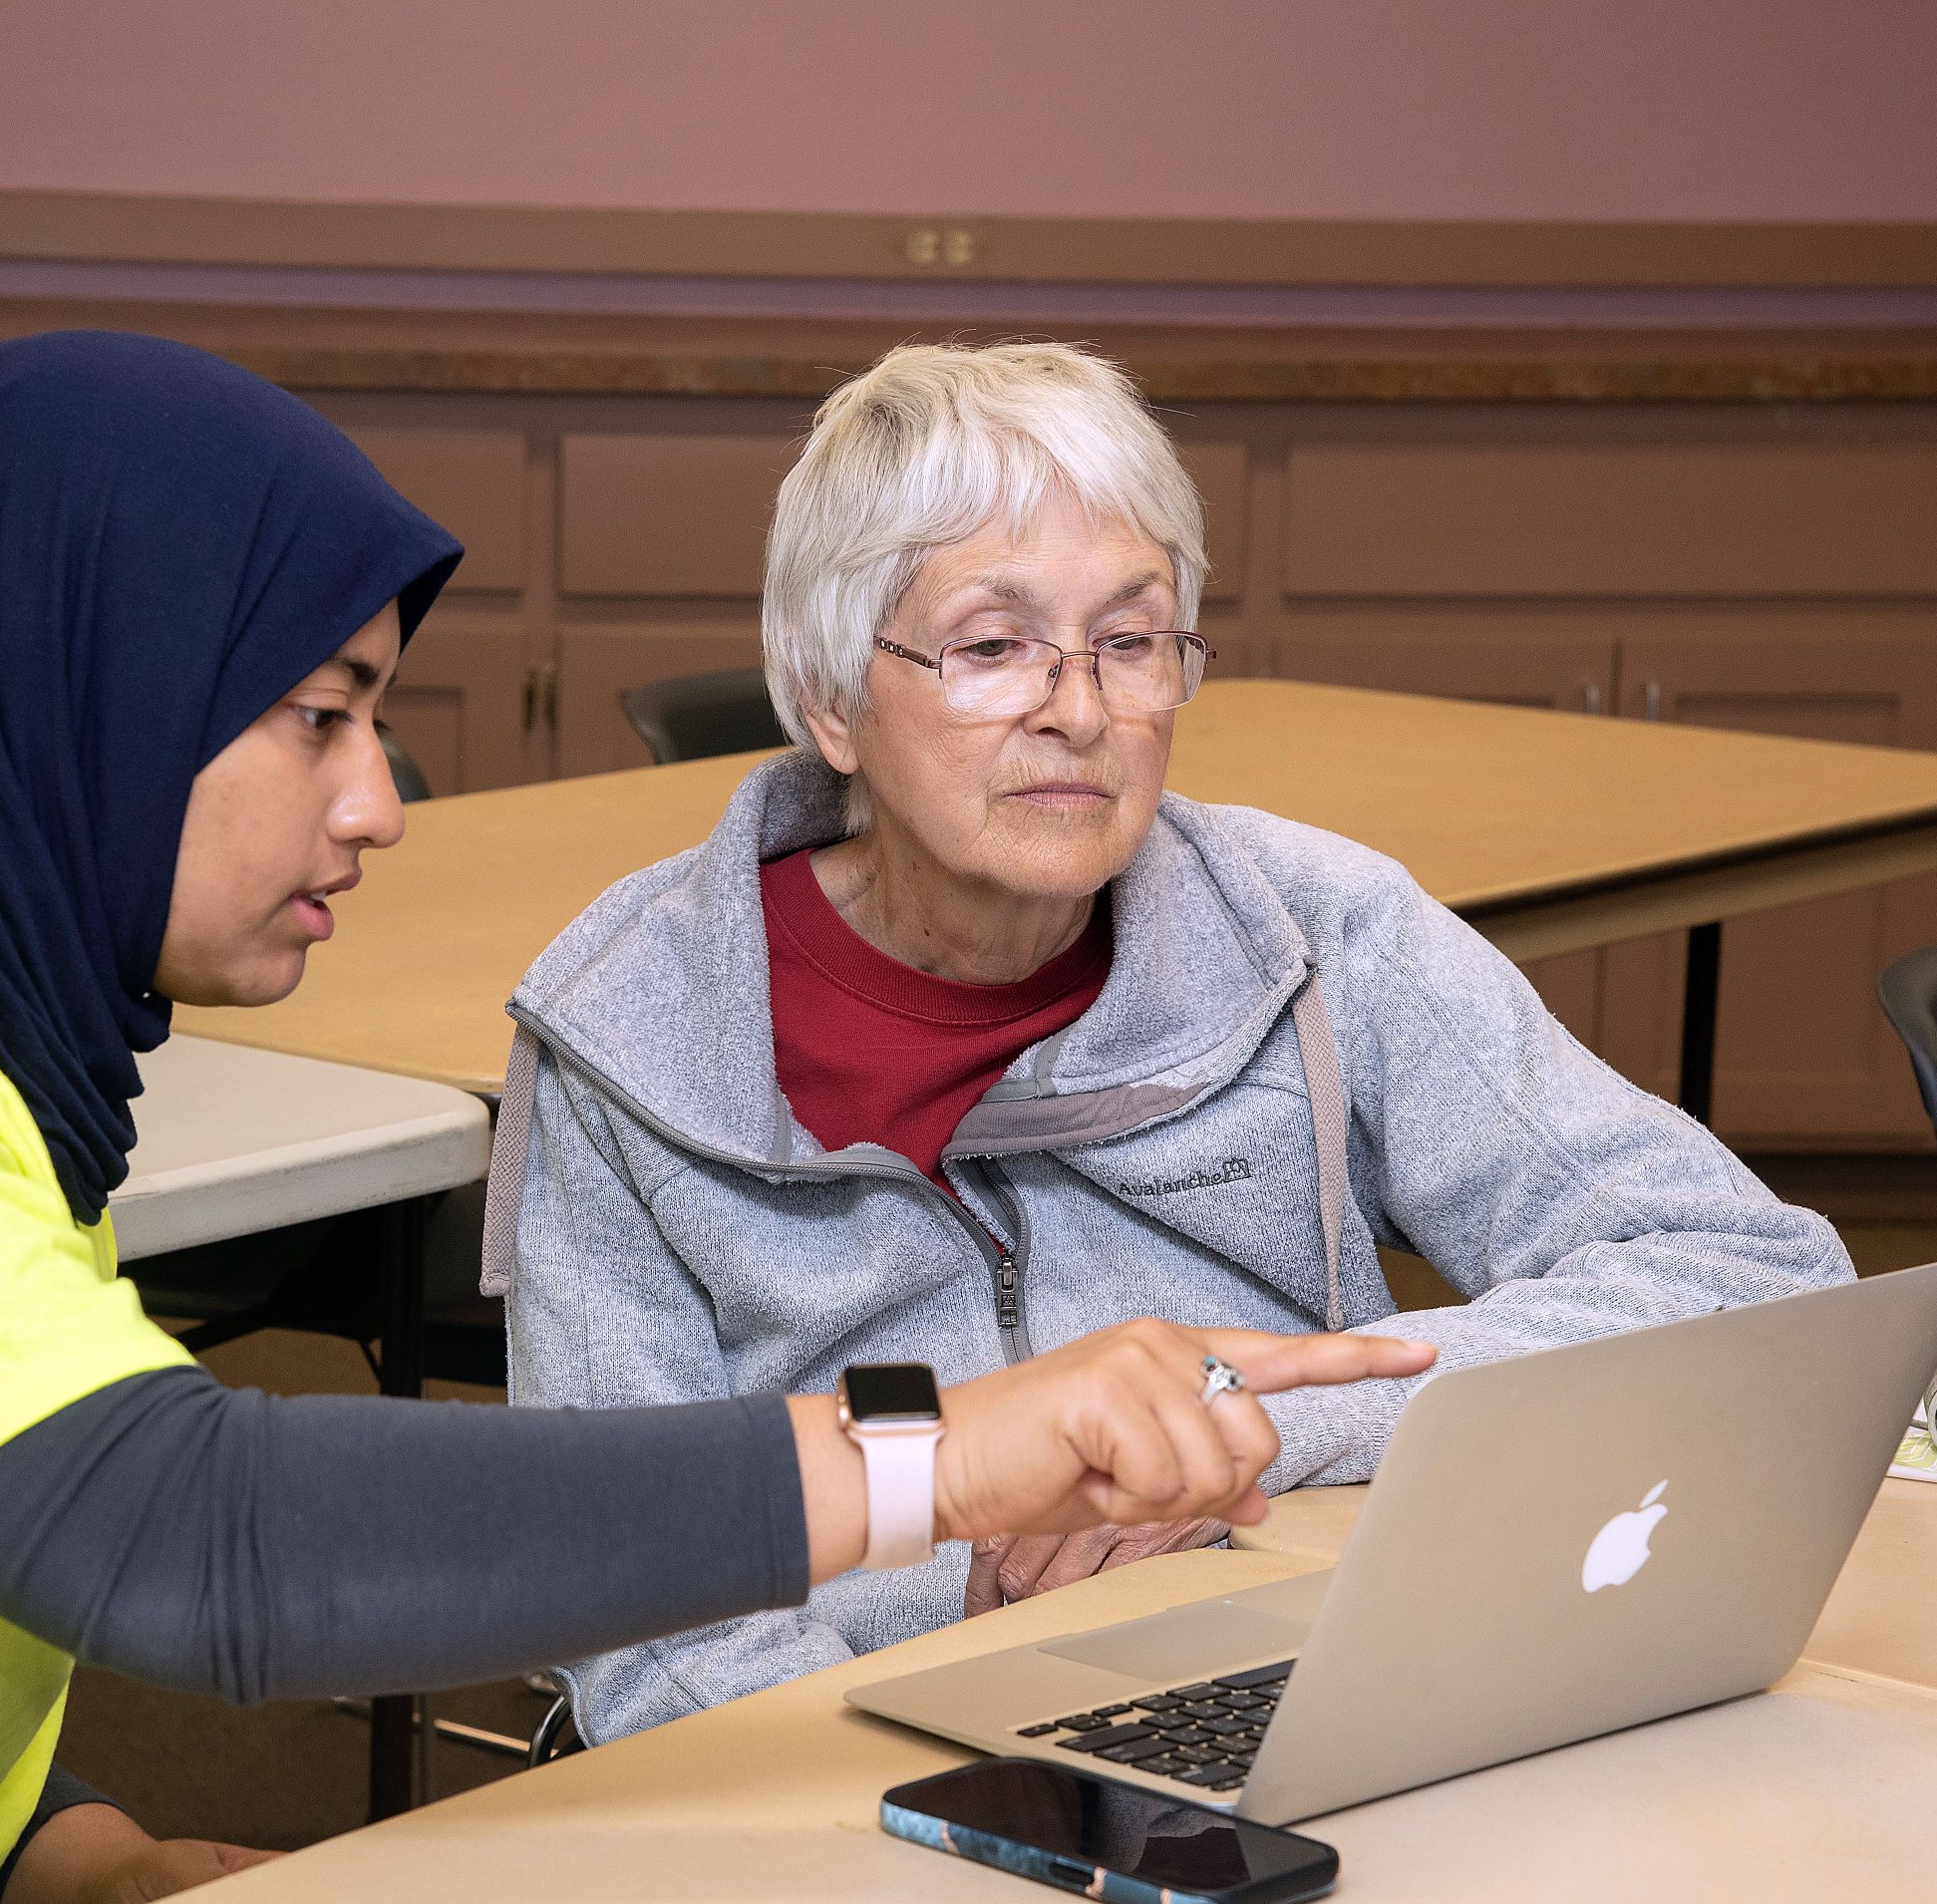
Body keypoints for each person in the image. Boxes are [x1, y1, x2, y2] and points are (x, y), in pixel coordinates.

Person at [0, 334, 1435, 1904]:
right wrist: (935, 1454)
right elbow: (187, 1533)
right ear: (73, 693)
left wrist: (52, 1861)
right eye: (316, 715)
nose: (375, 800)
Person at [494, 341, 1853, 1745]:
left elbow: (1755, 1275)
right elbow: (635, 1601)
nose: (1081, 712)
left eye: (1131, 642)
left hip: (1287, 1676)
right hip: (832, 1760)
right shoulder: (628, 1038)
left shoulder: (1313, 929)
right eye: (992, 646)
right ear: (831, 695)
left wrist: (1235, 1435)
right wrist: (928, 1734)